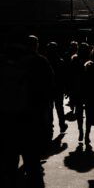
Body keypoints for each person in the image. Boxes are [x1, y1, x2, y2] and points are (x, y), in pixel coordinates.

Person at [0, 32, 54, 188]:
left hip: (6, 123)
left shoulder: (2, 64)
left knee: (9, 166)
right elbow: (49, 91)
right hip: (31, 123)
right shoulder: (39, 63)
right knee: (33, 167)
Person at [70, 42, 91, 144]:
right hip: (88, 89)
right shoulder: (90, 60)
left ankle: (81, 131)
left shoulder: (74, 59)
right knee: (89, 113)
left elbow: (71, 76)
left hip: (77, 89)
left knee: (79, 112)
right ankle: (87, 133)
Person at [45, 41, 68, 133]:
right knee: (59, 107)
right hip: (59, 87)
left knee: (50, 107)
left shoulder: (46, 60)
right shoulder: (60, 61)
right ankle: (62, 124)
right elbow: (64, 76)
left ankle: (50, 125)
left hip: (48, 87)